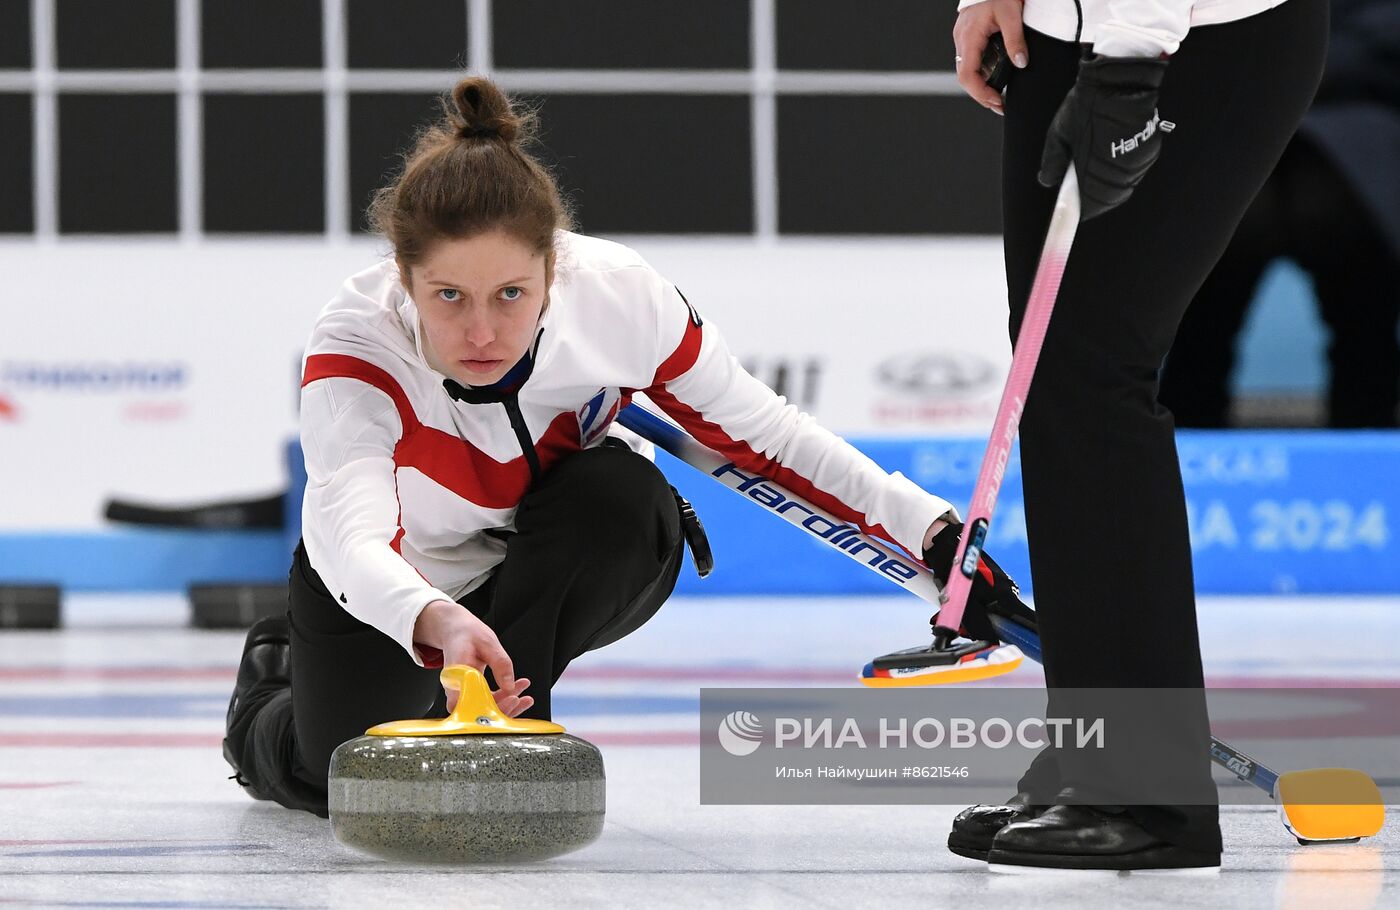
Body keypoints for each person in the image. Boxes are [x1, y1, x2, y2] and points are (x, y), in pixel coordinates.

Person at [221, 76, 1028, 818]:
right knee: (347, 780)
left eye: (511, 294)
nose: (481, 330)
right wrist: (431, 616)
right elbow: (354, 539)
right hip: (391, 581)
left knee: (623, 499)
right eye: (448, 296)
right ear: (403, 279)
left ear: (552, 268)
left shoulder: (618, 300)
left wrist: (933, 533)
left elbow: (768, 436)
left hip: (551, 557)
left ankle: (515, 733)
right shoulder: (355, 350)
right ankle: (270, 685)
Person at [947, 0, 1327, 874]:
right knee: (1056, 377)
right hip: (1061, 31)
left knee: (1090, 373)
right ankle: (1096, 747)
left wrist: (1128, 55)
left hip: (1178, 36)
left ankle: (1147, 790)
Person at [1160, 0, 1400, 429]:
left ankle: (1367, 467)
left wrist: (1296, 60)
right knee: (1198, 325)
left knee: (1365, 326)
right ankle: (1183, 462)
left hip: (1349, 136)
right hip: (1231, 130)